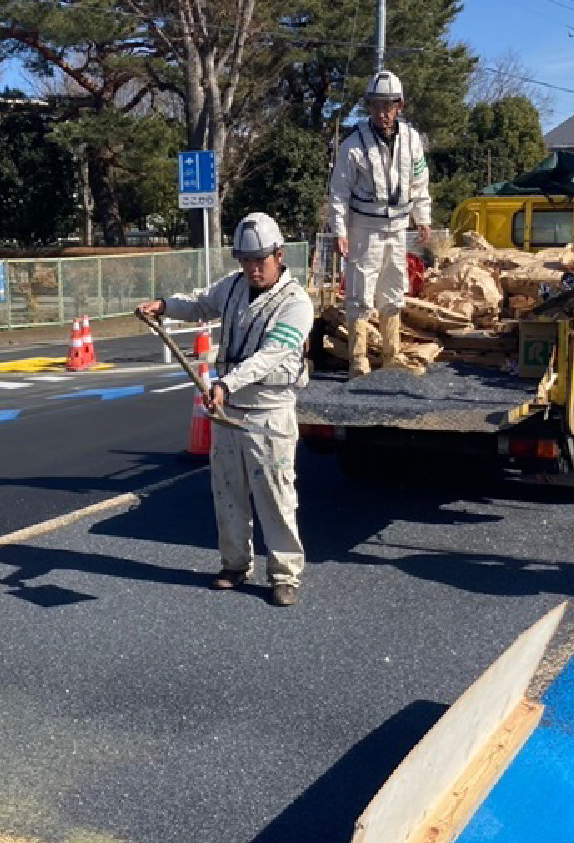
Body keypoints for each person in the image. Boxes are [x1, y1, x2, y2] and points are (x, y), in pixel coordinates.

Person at [135, 213, 312, 607]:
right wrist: (165, 305)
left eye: (260, 259)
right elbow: (200, 303)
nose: (252, 267)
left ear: (279, 255)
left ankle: (285, 574)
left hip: (268, 410)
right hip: (229, 405)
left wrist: (225, 383)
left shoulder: (296, 303)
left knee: (276, 495)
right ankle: (234, 563)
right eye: (245, 259)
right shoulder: (233, 287)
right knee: (228, 489)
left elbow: (271, 355)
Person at [327, 69, 432, 378]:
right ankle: (358, 358)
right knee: (360, 290)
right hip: (365, 228)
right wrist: (340, 230)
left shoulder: (412, 140)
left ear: (400, 106)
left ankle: (392, 354)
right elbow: (339, 191)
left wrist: (423, 219)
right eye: (376, 105)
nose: (383, 113)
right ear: (368, 107)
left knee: (394, 289)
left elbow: (420, 182)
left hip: (398, 228)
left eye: (388, 105)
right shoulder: (353, 145)